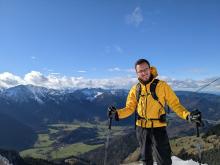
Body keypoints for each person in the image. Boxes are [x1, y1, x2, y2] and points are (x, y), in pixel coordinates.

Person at [108, 59, 202, 165]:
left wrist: (188, 115)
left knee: (164, 160)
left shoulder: (162, 86)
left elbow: (175, 104)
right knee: (146, 160)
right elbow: (130, 108)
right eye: (140, 71)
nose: (144, 73)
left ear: (150, 69)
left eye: (145, 69)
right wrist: (117, 113)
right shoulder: (135, 89)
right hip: (141, 128)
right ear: (137, 73)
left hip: (158, 128)